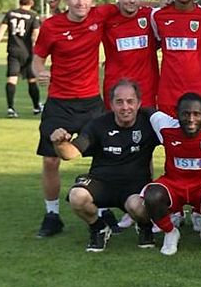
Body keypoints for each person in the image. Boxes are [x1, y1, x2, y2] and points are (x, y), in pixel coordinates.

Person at [32, 0, 109, 238]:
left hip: (91, 103)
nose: (81, 3)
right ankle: (52, 214)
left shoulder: (100, 15)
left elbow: (130, 2)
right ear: (67, 0)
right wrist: (41, 72)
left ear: (93, 0)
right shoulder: (51, 26)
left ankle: (104, 207)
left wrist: (163, 3)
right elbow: (37, 59)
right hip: (59, 104)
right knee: (52, 159)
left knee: (104, 158)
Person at [49, 80, 158, 252]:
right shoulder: (98, 124)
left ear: (139, 103)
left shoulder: (150, 121)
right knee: (77, 196)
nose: (125, 107)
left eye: (130, 101)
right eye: (119, 102)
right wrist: (59, 143)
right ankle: (98, 228)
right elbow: (69, 154)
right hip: (102, 182)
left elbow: (178, 133)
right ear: (111, 104)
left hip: (134, 186)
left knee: (139, 205)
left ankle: (145, 227)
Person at [144, 93, 201, 255]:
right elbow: (147, 110)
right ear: (177, 113)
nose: (191, 119)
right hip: (174, 183)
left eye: (197, 114)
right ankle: (170, 232)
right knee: (151, 195)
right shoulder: (165, 125)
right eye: (185, 114)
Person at [100, 0, 159, 110]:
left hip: (146, 91)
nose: (132, 0)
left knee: (147, 130)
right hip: (116, 90)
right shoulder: (106, 19)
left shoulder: (151, 16)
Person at [0, 0, 42, 117]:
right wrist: (39, 50)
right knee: (32, 79)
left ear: (20, 1)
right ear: (32, 3)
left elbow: (2, 29)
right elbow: (36, 35)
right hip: (28, 52)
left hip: (13, 51)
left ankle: (10, 109)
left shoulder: (11, 13)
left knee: (12, 79)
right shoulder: (33, 16)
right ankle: (36, 107)